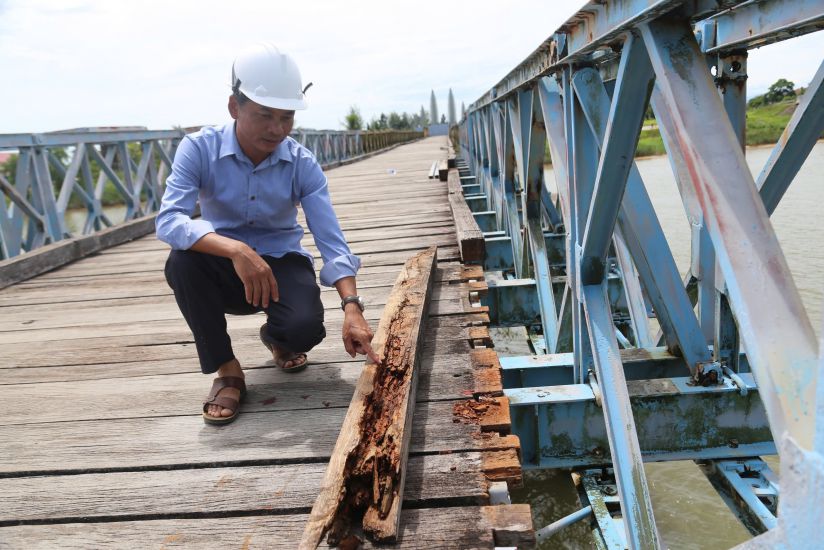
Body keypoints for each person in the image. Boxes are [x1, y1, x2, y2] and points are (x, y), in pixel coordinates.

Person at [156, 42, 380, 426]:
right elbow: (170, 220)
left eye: (287, 117)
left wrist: (352, 307)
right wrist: (235, 249)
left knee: (304, 329)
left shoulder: (302, 163)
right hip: (222, 264)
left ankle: (278, 338)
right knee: (182, 263)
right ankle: (227, 370)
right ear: (234, 107)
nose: (277, 129)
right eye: (265, 115)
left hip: (280, 263)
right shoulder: (198, 148)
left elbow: (329, 238)